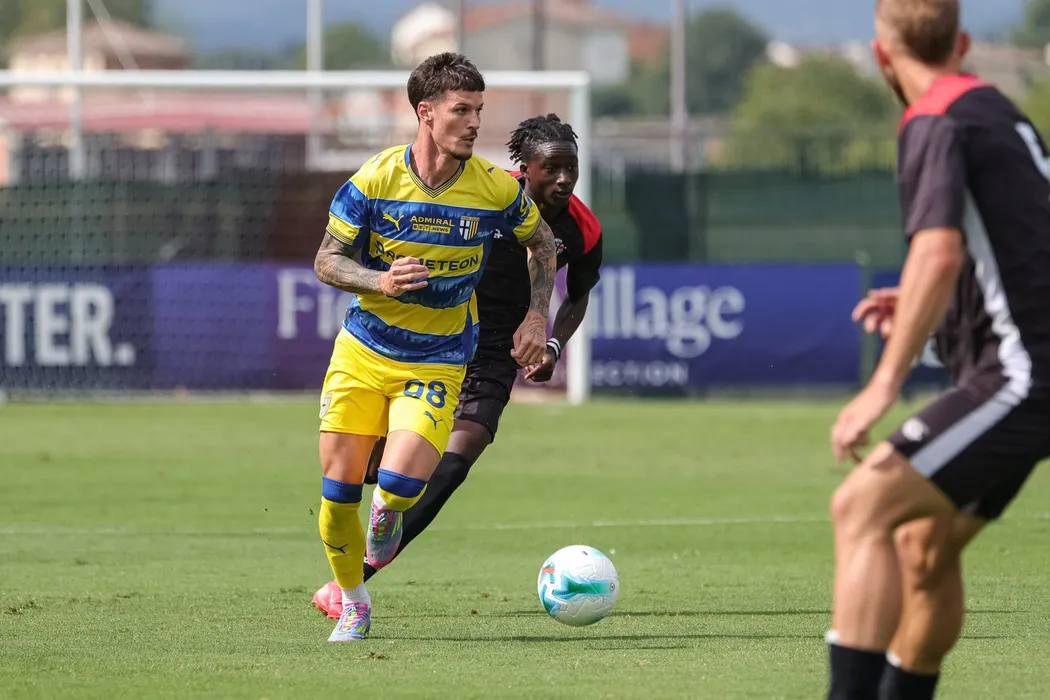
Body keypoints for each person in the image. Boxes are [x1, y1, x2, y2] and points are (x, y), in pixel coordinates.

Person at [827, 0, 1050, 697]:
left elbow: (938, 250)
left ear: (881, 56)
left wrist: (883, 383)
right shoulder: (997, 111)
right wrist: (937, 301)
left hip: (1023, 376)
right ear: (963, 42)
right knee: (922, 545)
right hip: (1027, 369)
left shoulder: (934, 118)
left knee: (861, 507)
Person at [312, 113, 603, 620]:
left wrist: (551, 341)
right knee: (372, 472)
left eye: (571, 169)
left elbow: (577, 295)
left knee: (453, 464)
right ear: (525, 168)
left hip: (495, 354)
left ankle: (352, 582)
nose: (564, 180)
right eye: (552, 168)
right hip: (435, 339)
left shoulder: (583, 228)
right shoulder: (485, 194)